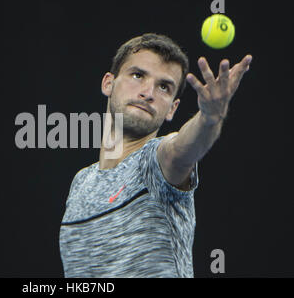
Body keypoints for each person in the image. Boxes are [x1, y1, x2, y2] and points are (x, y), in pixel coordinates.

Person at [59, 33, 252, 278]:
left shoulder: (154, 162)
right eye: (138, 75)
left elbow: (181, 150)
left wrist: (209, 118)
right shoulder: (81, 182)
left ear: (172, 108)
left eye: (164, 87)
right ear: (108, 83)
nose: (148, 92)